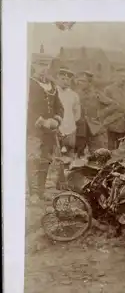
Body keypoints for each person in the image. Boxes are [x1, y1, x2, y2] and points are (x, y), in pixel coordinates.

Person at [26, 66, 64, 202]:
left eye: (46, 67)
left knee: (45, 160)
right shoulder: (28, 83)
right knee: (33, 159)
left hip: (49, 131)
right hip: (34, 129)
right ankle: (33, 193)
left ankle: (41, 191)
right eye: (40, 67)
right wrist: (41, 121)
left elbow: (59, 107)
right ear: (34, 67)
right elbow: (25, 106)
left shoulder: (52, 86)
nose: (43, 70)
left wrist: (56, 120)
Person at [75, 71, 112, 156]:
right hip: (79, 129)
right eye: (79, 80)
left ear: (89, 83)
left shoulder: (97, 94)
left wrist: (102, 115)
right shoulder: (76, 94)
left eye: (82, 81)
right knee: (78, 155)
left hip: (94, 129)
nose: (79, 83)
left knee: (97, 154)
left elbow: (113, 106)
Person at [102, 67, 125, 150]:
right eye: (121, 76)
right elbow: (104, 108)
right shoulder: (108, 90)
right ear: (115, 77)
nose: (124, 79)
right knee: (111, 147)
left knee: (123, 148)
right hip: (113, 123)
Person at [55, 67, 81, 157]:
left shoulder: (74, 95)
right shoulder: (53, 92)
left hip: (70, 130)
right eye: (63, 79)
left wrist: (71, 123)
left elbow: (77, 112)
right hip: (56, 129)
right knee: (56, 155)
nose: (65, 81)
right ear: (57, 78)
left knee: (70, 155)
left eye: (68, 79)